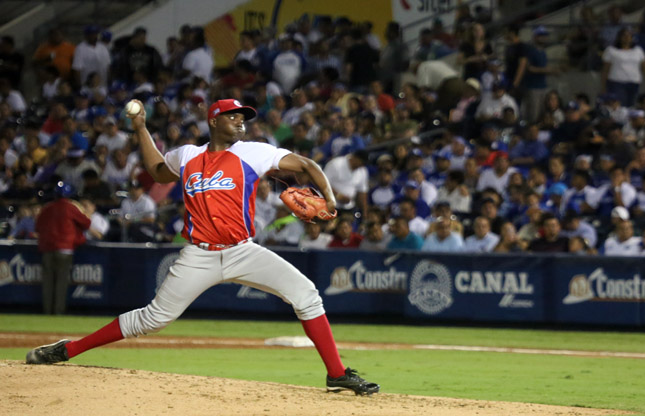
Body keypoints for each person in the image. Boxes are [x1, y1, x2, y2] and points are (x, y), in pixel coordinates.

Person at [25, 98, 379, 396]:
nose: (240, 122)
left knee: (306, 295)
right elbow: (157, 170)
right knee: (153, 318)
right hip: (199, 254)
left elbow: (305, 165)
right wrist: (141, 129)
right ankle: (68, 349)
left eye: (243, 117)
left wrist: (329, 198)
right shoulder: (187, 156)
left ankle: (336, 374)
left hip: (244, 250)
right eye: (233, 116)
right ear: (214, 120)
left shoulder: (254, 152)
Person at [35, 182, 92, 315]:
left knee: (48, 283)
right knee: (61, 283)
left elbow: (37, 226)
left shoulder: (47, 207)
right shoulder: (70, 207)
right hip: (65, 249)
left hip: (47, 248)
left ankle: (47, 312)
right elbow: (86, 223)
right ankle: (58, 312)